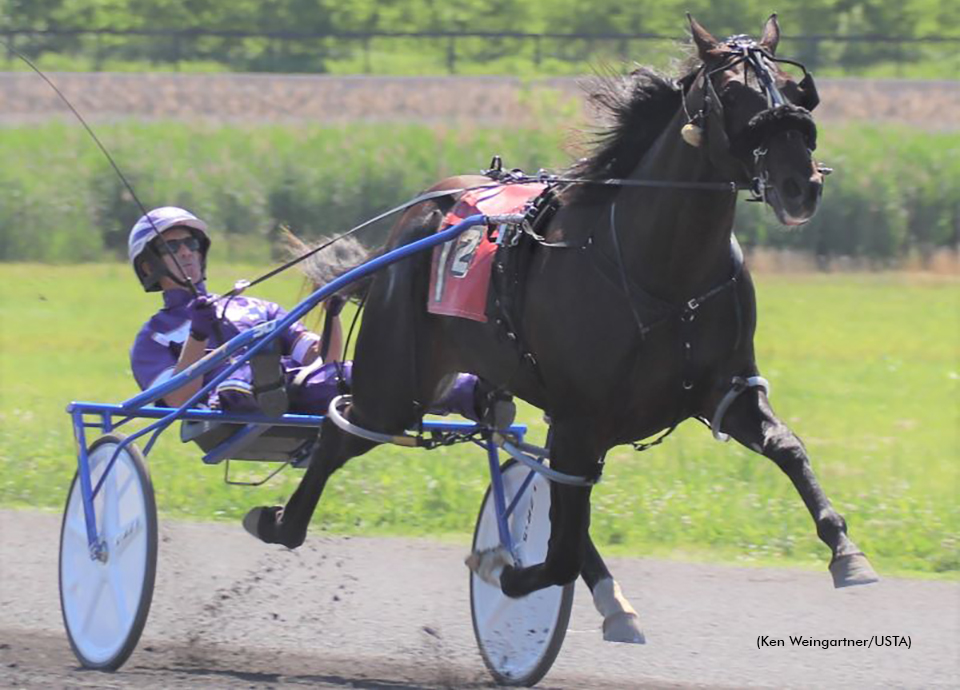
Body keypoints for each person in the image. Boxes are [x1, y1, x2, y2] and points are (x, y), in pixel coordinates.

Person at [127, 206, 494, 423]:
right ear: (149, 266)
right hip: (222, 409)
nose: (187, 252)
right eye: (172, 247)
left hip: (297, 389)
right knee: (250, 362)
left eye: (191, 243)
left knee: (353, 374)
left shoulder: (256, 307)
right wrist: (199, 336)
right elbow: (175, 401)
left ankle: (473, 393)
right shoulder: (153, 338)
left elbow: (323, 360)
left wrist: (332, 313)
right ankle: (242, 388)